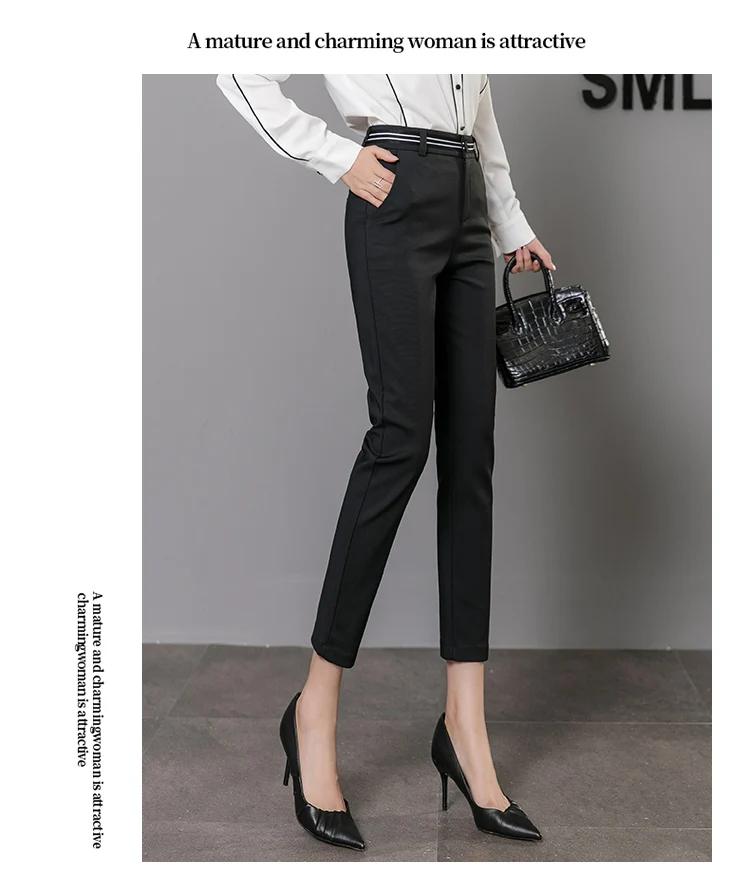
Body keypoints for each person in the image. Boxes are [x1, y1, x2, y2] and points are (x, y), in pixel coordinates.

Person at [216, 74, 554, 851]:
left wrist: (510, 223)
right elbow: (237, 66)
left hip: (468, 199)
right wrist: (336, 155)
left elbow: (478, 109)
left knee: (471, 456)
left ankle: (465, 725)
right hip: (393, 193)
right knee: (400, 440)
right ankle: (314, 709)